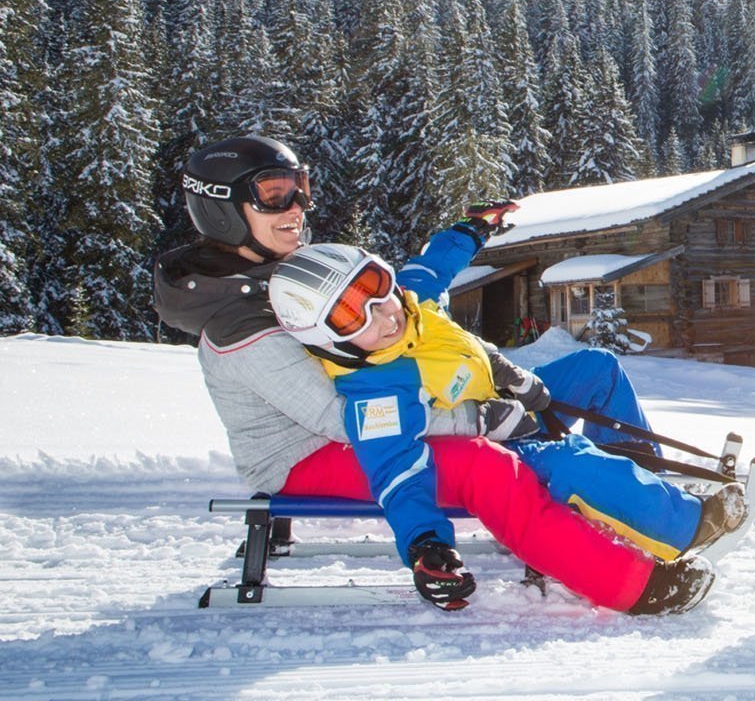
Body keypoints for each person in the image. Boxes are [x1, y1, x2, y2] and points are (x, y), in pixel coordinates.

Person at [152, 135, 713, 614]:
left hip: (409, 398)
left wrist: (469, 233)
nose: (297, 205)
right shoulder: (238, 321)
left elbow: (413, 286)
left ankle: (640, 499)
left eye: (300, 185)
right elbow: (345, 421)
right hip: (309, 451)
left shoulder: (291, 273)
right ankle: (627, 583)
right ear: (223, 208)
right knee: (485, 467)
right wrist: (479, 418)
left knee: (592, 372)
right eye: (275, 194)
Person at [266, 224, 746, 609]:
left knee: (596, 368)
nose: (382, 314)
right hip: (498, 441)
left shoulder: (413, 302)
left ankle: (646, 485)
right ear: (327, 339)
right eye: (354, 318)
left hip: (509, 398)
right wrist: (425, 544)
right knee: (570, 460)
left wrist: (474, 228)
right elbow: (396, 471)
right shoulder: (375, 390)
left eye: (375, 287)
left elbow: (434, 263)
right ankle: (685, 524)